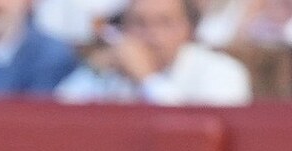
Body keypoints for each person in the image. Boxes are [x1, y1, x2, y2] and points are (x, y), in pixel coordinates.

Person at [56, 0, 252, 104]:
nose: (151, 34)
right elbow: (58, 115)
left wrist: (148, 79)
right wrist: (94, 70)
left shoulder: (222, 72)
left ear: (189, 29)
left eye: (164, 22)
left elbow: (192, 134)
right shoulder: (113, 67)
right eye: (139, 23)